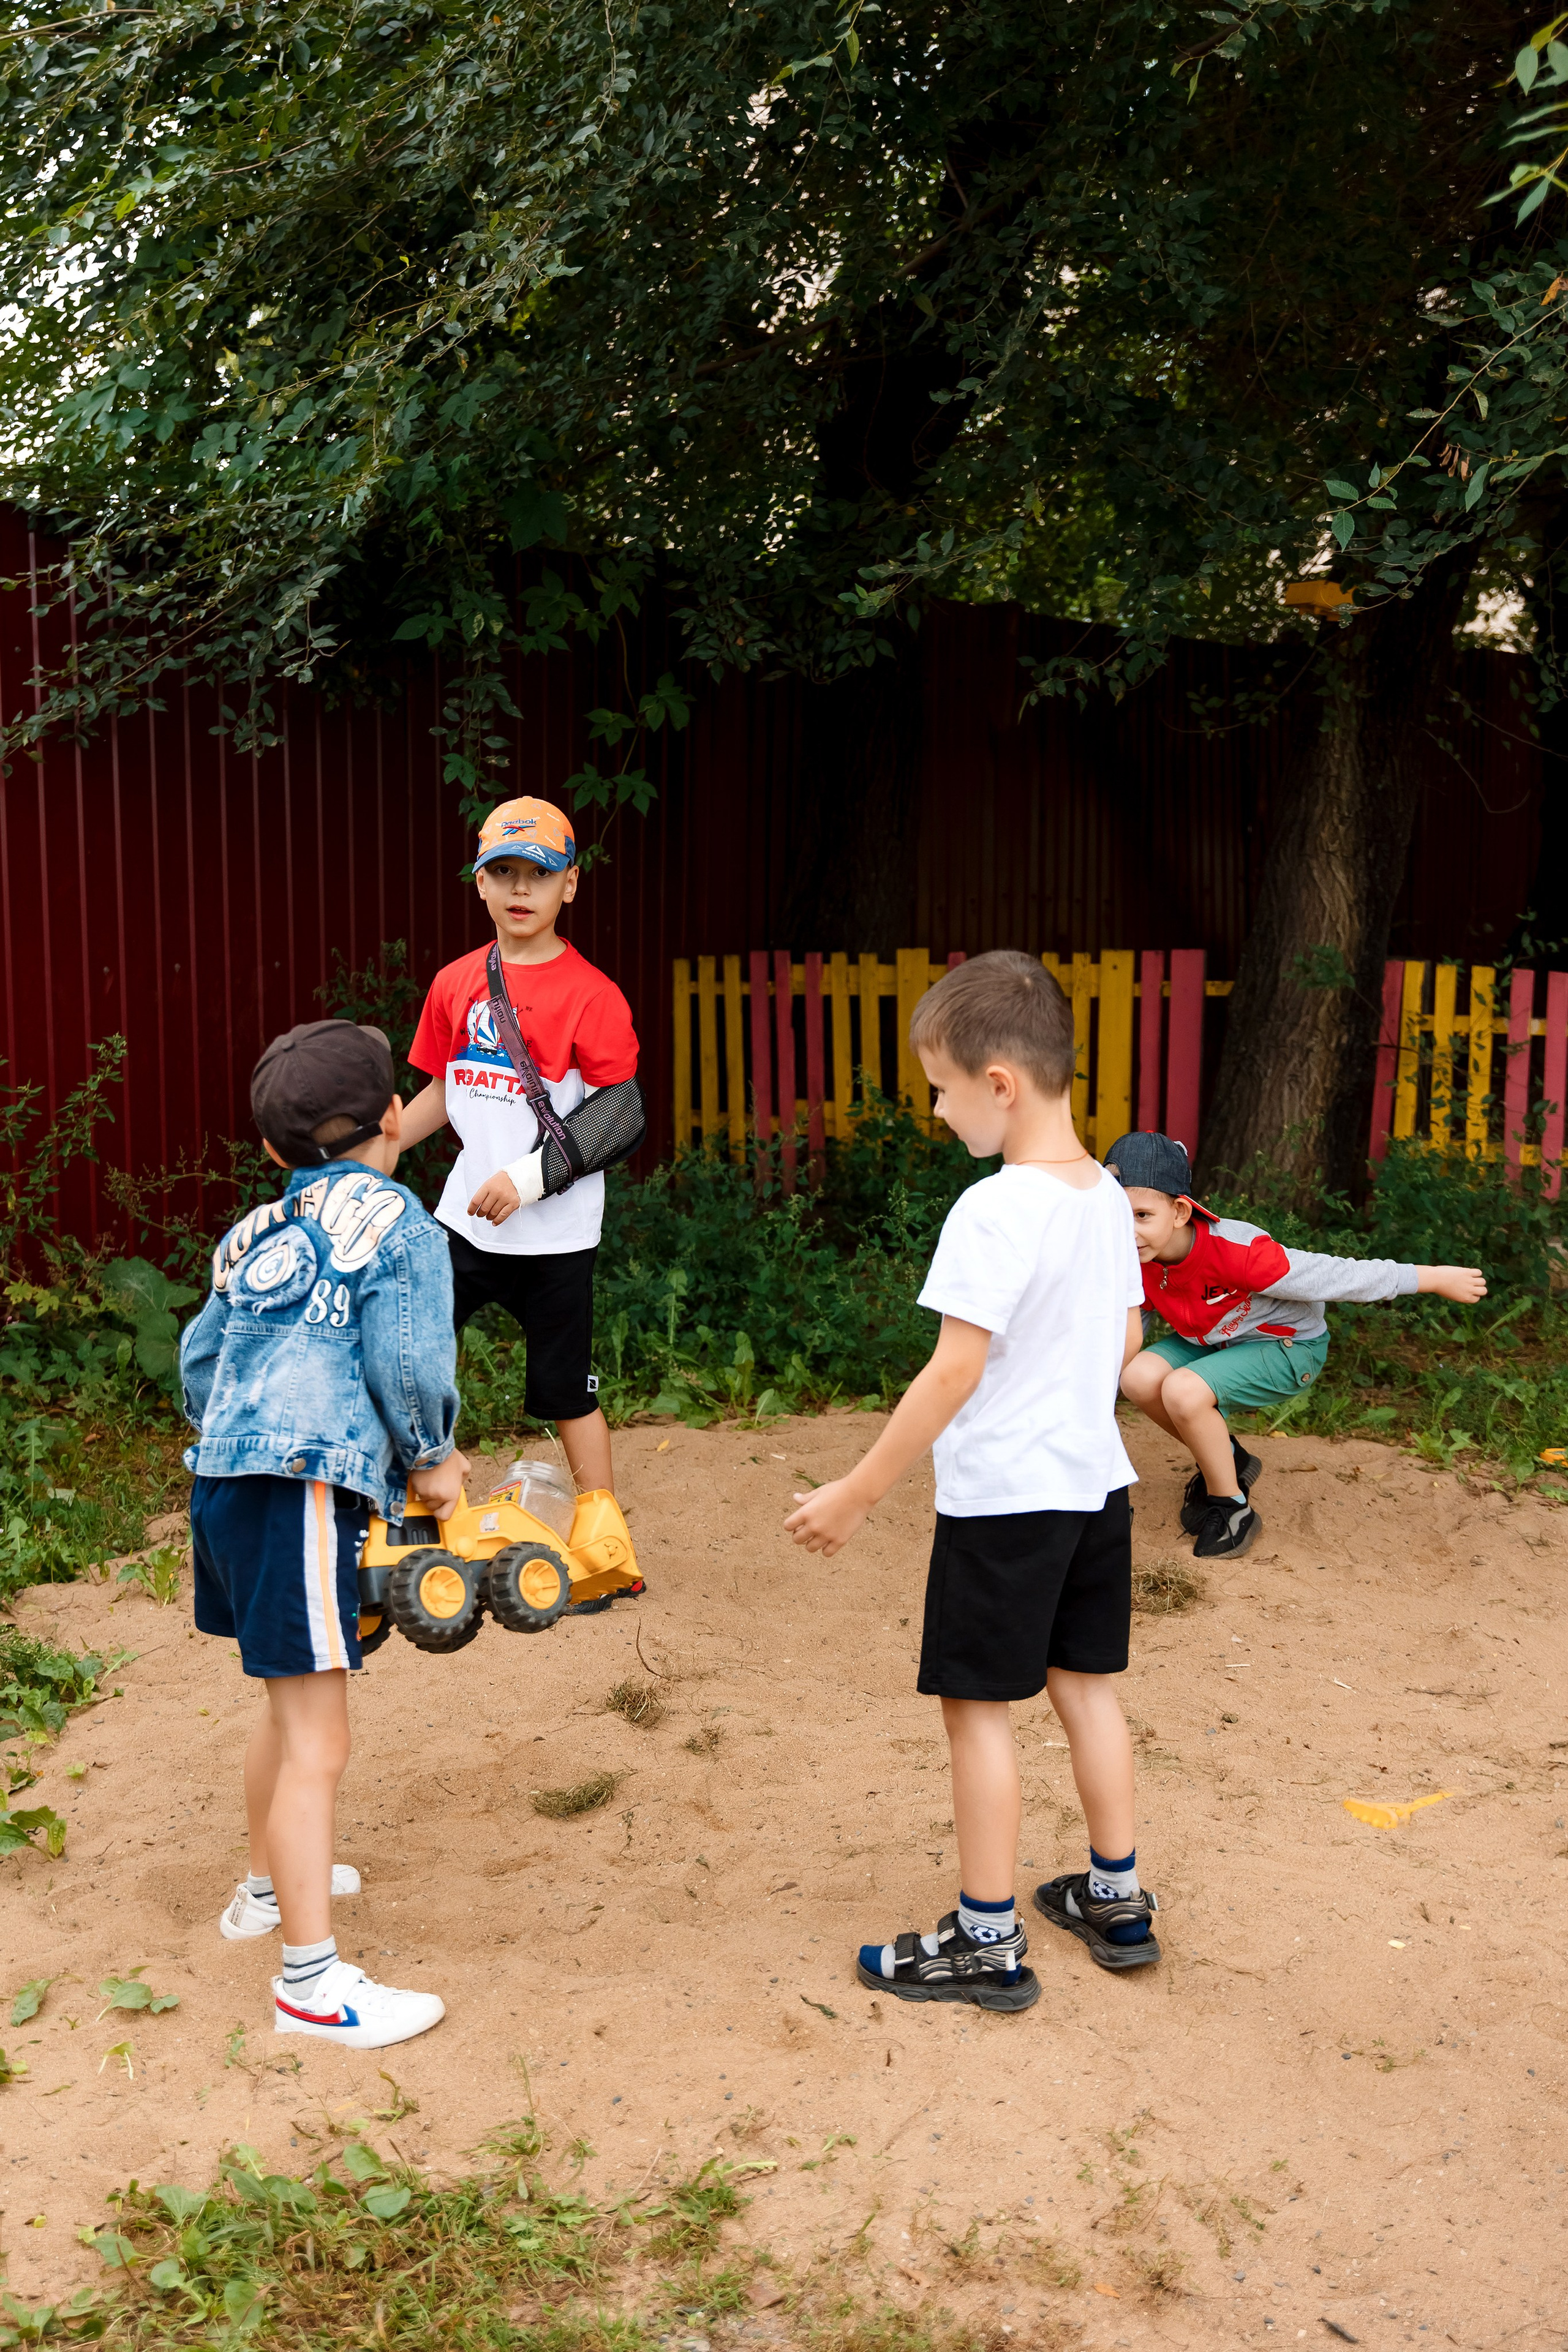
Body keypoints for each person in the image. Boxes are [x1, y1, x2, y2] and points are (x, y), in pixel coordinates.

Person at [785, 950, 1158, 2011]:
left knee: (978, 1710)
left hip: (1007, 1500)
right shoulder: (1103, 1199)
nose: (940, 1113)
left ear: (1000, 1083)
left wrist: (859, 1490)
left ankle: (986, 1940)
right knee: (1087, 1689)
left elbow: (956, 1367)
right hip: (1096, 1484)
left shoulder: (994, 1212)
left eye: (943, 1091)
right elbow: (1127, 1330)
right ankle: (1116, 1895)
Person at [180, 1019, 467, 2050]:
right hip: (304, 1486)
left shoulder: (253, 1233)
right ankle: (311, 1985)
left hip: (227, 1482)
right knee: (319, 1740)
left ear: (272, 1152)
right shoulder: (401, 1227)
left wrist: (232, 1442)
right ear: (398, 1118)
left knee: (282, 1698)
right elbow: (405, 1361)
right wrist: (431, 1455)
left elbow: (200, 1364)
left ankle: (263, 1887)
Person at [399, 797, 639, 1498]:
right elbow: (449, 1089)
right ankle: (406, 1517)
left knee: (565, 1391)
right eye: (502, 872)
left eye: (538, 872)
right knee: (409, 1360)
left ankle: (604, 1546)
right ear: (480, 883)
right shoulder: (454, 982)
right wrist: (381, 1147)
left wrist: (529, 1179)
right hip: (463, 1221)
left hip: (555, 1236)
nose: (520, 889)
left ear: (570, 882)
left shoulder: (594, 996)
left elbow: (619, 1114)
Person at [1107, 1129, 1487, 1561]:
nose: (1129, 1231)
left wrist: (1430, 1277)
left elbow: (1336, 1275)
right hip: (1212, 1343)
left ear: (1179, 1211)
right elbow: (1122, 1330)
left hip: (1288, 1348)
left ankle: (1231, 1507)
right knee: (1136, 1377)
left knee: (1182, 1390)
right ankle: (1226, 1457)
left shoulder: (1237, 1252)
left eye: (1141, 1215)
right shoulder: (1132, 1259)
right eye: (1116, 1216)